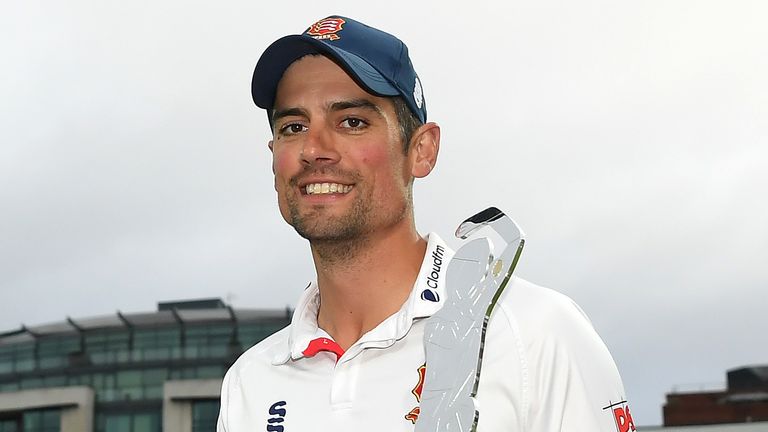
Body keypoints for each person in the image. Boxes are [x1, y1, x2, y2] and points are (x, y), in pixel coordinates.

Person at [217, 15, 634, 432]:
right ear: (274, 155)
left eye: (352, 122)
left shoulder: (536, 333)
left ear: (422, 150)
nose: (313, 148)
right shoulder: (249, 383)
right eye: (294, 126)